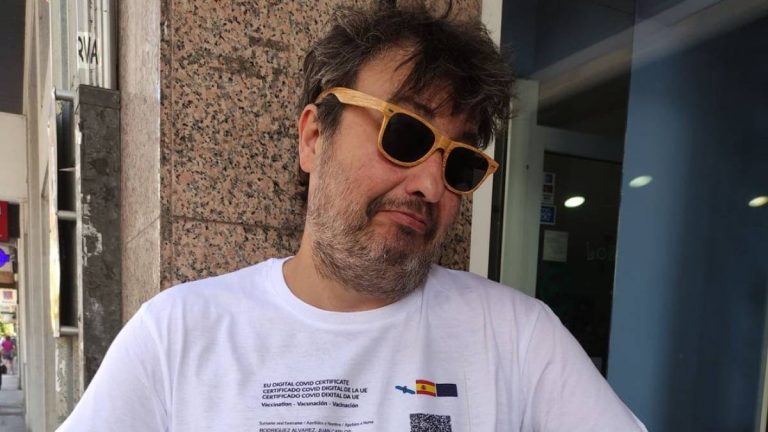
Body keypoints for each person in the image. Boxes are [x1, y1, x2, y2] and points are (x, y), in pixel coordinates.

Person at [59, 4, 647, 431]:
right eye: (405, 134)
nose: (430, 185)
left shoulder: (516, 338)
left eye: (460, 163)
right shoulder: (178, 336)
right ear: (314, 138)